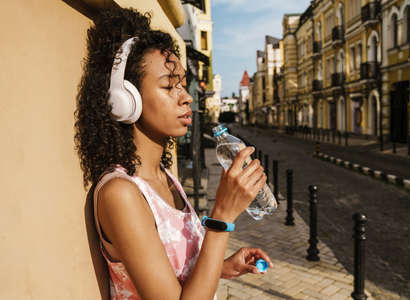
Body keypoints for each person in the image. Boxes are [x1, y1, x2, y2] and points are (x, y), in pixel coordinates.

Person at [74, 7, 272, 300]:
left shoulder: (164, 177)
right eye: (169, 85)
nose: (186, 96)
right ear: (125, 101)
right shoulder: (122, 194)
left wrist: (222, 266)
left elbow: (174, 277)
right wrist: (222, 217)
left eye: (182, 83)